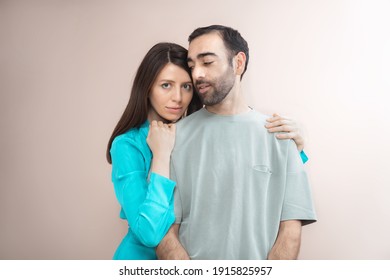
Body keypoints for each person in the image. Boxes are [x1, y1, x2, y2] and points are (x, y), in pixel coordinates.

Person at [107, 42, 309, 260]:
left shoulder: (186, 133)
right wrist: (161, 156)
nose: (178, 97)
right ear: (146, 88)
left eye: (186, 86)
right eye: (166, 85)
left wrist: (296, 147)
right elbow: (149, 233)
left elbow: (240, 165)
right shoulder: (127, 145)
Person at [156, 25, 317, 260]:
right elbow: (164, 231)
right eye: (191, 66)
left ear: (238, 63)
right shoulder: (173, 138)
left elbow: (290, 232)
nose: (197, 74)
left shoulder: (281, 135)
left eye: (207, 62)